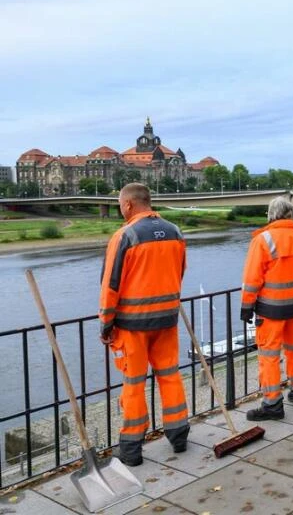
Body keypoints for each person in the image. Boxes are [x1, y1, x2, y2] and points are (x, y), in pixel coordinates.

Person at [98, 182, 189, 466]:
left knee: (134, 383)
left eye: (119, 205)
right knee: (169, 375)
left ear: (128, 205)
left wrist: (106, 322)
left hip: (132, 325)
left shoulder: (125, 236)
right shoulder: (175, 232)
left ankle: (131, 447)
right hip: (167, 319)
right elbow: (180, 271)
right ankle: (179, 435)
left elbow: (111, 283)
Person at [241, 197, 293, 421]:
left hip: (270, 309)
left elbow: (252, 278)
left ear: (271, 215)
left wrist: (246, 306)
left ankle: (272, 404)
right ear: (290, 214)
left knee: (269, 355)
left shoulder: (263, 240)